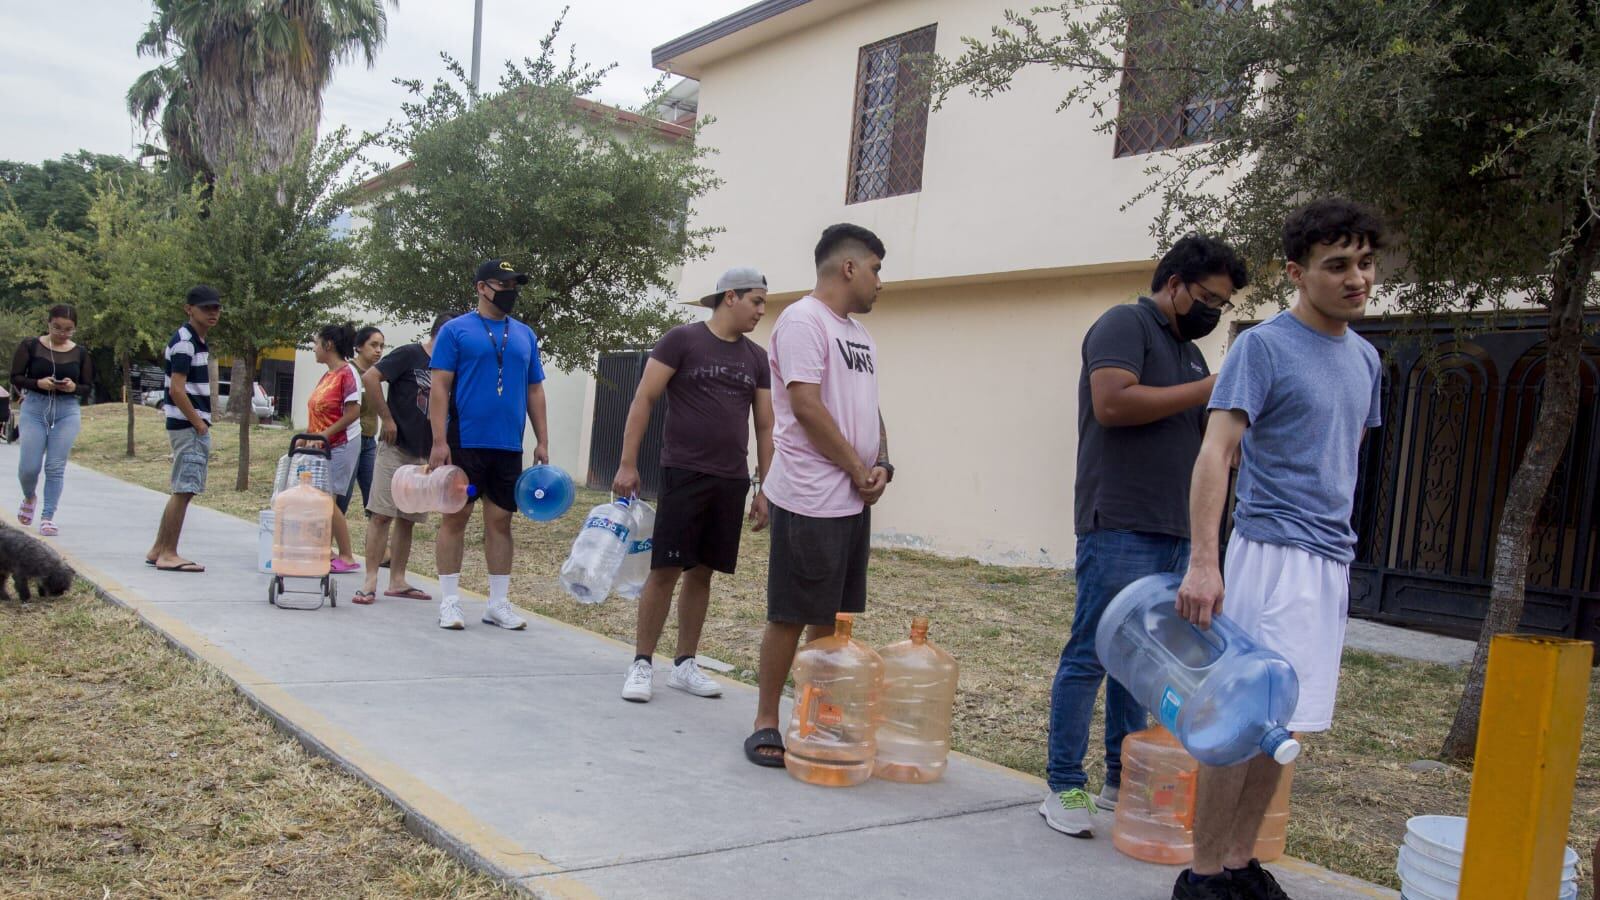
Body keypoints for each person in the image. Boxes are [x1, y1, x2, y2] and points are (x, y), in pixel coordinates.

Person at [1173, 199, 1385, 900]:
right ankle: (1202, 876)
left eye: (1364, 262)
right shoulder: (1263, 347)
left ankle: (1239, 864)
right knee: (1242, 721)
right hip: (1270, 554)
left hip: (1328, 562)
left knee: (1287, 726)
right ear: (1297, 273)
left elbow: (1344, 457)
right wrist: (1206, 562)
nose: (1356, 278)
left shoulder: (1366, 358)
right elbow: (1216, 453)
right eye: (1337, 266)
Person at [1041, 235, 1248, 838]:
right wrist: (1210, 391)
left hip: (1177, 530)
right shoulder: (1124, 324)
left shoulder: (1188, 354)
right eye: (1207, 297)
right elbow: (1113, 403)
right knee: (1092, 651)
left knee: (1141, 660)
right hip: (1121, 522)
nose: (1212, 311)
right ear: (1175, 284)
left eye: (1223, 302)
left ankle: (1119, 779)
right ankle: (1062, 786)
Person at [745, 224, 892, 767]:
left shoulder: (860, 335)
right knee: (791, 612)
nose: (880, 281)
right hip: (811, 494)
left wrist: (880, 463)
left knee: (830, 617)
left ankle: (812, 715)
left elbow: (868, 407)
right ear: (848, 267)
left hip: (851, 495)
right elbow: (806, 406)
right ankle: (766, 720)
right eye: (876, 268)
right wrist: (857, 469)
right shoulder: (804, 321)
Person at [614, 267, 775, 703]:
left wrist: (765, 487)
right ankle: (642, 663)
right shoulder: (681, 339)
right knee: (664, 570)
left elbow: (764, 424)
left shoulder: (756, 358)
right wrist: (627, 463)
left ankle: (685, 664)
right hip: (684, 472)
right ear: (730, 297)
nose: (762, 310)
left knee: (703, 573)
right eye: (756, 301)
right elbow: (644, 398)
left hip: (730, 479)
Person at [428, 259, 550, 631]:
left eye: (515, 284)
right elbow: (439, 386)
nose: (511, 291)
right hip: (465, 441)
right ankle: (450, 601)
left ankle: (498, 603)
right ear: (482, 287)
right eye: (504, 284)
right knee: (456, 517)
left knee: (501, 522)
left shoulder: (526, 335)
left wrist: (542, 439)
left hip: (507, 445)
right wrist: (438, 441)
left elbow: (535, 389)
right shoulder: (455, 331)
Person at [356, 313, 452, 605]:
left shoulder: (451, 366)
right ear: (442, 334)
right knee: (382, 514)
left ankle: (397, 580)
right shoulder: (410, 354)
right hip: (395, 448)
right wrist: (387, 419)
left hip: (424, 455)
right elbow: (370, 377)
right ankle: (370, 580)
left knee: (408, 518)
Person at [146, 286, 221, 573]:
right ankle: (169, 553)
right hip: (188, 425)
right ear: (188, 309)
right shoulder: (185, 342)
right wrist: (199, 423)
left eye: (216, 308)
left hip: (189, 424)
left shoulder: (196, 341)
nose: (213, 313)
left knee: (183, 489)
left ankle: (158, 549)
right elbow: (177, 389)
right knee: (184, 488)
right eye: (206, 308)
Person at [11, 304, 93, 536]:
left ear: (74, 329)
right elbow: (15, 376)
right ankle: (29, 496)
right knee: (29, 467)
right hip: (35, 406)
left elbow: (87, 387)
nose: (62, 334)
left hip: (66, 410)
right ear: (48, 323)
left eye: (68, 330)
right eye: (57, 328)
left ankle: (48, 516)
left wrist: (73, 387)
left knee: (55, 466)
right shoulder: (30, 346)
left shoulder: (81, 353)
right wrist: (37, 383)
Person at [306, 323, 363, 574]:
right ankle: (324, 551)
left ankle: (347, 555)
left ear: (328, 345)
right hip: (322, 445)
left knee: (329, 500)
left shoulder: (348, 373)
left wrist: (324, 436)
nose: (314, 348)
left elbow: (352, 413)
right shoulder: (328, 374)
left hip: (341, 444)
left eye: (316, 343)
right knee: (321, 499)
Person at [350, 326, 385, 512]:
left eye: (381, 346)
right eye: (373, 345)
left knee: (373, 502)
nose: (378, 350)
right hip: (350, 440)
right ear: (359, 346)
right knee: (341, 498)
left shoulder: (376, 374)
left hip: (369, 441)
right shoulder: (349, 371)